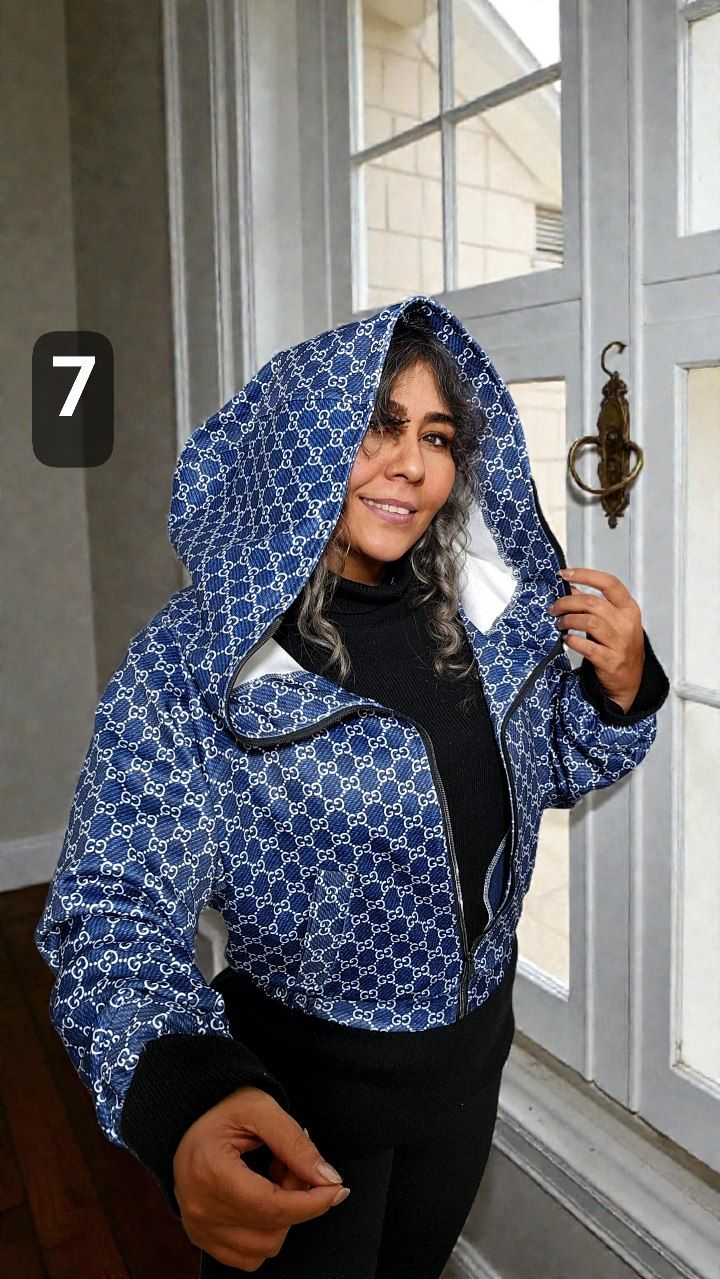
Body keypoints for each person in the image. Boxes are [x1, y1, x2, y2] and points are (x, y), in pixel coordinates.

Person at [35, 294, 670, 1278]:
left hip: (464, 1084)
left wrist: (620, 691)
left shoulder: (477, 623)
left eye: (437, 436)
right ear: (307, 437)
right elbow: (111, 912)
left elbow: (546, 771)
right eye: (379, 424)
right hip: (297, 1111)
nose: (411, 464)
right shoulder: (198, 660)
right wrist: (186, 1098)